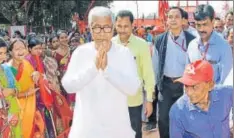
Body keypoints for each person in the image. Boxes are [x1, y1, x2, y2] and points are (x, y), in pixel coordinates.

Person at [62, 6, 141, 138]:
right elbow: (68, 86)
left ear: (113, 28)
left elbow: (133, 88)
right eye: (97, 27)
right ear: (90, 28)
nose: (102, 33)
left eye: (107, 27)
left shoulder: (124, 53)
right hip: (87, 128)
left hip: (117, 128)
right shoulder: (81, 52)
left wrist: (107, 70)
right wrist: (93, 68)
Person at [152, 7, 195, 138]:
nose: (173, 20)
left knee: (185, 118)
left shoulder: (191, 40)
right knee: (163, 119)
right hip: (166, 85)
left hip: (185, 85)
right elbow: (155, 65)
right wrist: (153, 87)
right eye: (170, 17)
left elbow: (194, 64)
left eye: (176, 17)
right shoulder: (160, 40)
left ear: (183, 20)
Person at [112, 10, 155, 137]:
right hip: (114, 100)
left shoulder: (141, 45)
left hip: (134, 101)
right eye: (119, 26)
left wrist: (149, 100)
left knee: (135, 132)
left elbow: (148, 74)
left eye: (126, 26)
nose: (122, 30)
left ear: (132, 25)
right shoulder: (110, 44)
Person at [169, 60, 233, 138]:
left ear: (210, 85)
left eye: (194, 87)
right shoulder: (177, 111)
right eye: (186, 86)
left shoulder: (226, 93)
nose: (189, 92)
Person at [7, 38, 44, 138]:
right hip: (18, 110)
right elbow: (7, 94)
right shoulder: (8, 69)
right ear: (10, 52)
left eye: (22, 48)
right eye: (17, 49)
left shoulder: (26, 63)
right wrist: (26, 93)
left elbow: (33, 75)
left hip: (31, 107)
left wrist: (36, 73)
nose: (20, 51)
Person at [187, 4, 233, 85]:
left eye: (205, 24)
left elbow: (225, 82)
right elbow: (188, 75)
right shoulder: (192, 45)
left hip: (216, 96)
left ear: (212, 22)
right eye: (198, 25)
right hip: (194, 96)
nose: (201, 29)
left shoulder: (224, 47)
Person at [0, 37, 22, 137]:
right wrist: (1, 93)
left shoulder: (6, 68)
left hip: (13, 109)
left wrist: (12, 91)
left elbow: (18, 88)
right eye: (0, 53)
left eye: (5, 53)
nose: (3, 56)